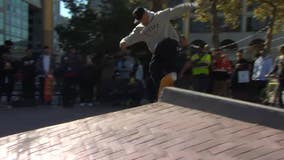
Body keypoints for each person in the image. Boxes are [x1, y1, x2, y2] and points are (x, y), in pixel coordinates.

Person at [119, 3, 196, 100]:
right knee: (153, 68)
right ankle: (162, 89)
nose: (142, 22)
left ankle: (172, 72)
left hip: (171, 45)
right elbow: (131, 37)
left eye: (142, 19)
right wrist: (124, 42)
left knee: (163, 44)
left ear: (146, 14)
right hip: (158, 52)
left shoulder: (161, 16)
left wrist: (192, 5)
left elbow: (177, 10)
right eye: (140, 21)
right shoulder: (140, 29)